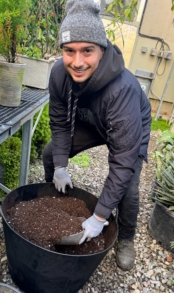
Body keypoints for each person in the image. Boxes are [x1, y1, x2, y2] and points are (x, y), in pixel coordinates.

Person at [42, 0, 151, 271]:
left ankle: (126, 239)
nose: (77, 62)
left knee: (127, 187)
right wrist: (60, 166)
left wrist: (99, 216)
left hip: (128, 121)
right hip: (90, 119)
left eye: (87, 51)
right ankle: (57, 204)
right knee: (49, 154)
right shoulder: (58, 75)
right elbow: (59, 122)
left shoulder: (122, 90)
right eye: (69, 51)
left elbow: (123, 162)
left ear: (101, 49)